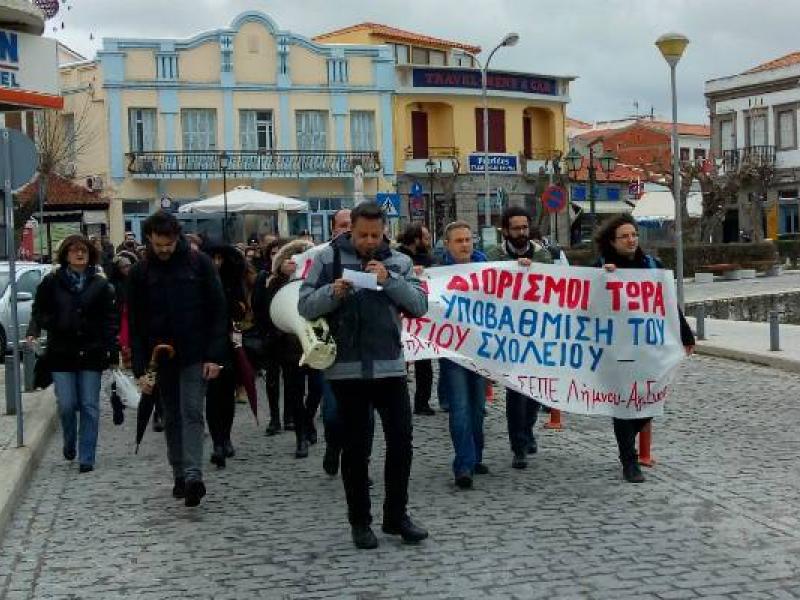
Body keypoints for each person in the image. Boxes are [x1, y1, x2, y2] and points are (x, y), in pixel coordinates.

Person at [299, 202, 429, 550]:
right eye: (362, 235)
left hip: (389, 366)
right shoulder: (328, 259)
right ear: (349, 230)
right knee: (357, 450)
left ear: (384, 230)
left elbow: (419, 305)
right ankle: (360, 522)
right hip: (346, 371)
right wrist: (333, 292)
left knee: (401, 443)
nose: (369, 241)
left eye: (375, 234)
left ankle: (396, 516)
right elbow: (304, 305)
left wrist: (389, 281)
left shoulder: (398, 261)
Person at [127, 211, 227, 507]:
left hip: (195, 352)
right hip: (161, 356)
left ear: (176, 237)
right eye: (159, 245)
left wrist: (214, 355)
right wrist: (141, 367)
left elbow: (217, 310)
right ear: (149, 240)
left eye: (169, 244)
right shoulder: (140, 273)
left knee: (193, 411)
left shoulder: (199, 264)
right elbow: (135, 322)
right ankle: (179, 473)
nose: (164, 250)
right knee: (172, 416)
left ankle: (195, 475)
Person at [594, 213, 695, 483]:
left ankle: (629, 446)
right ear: (612, 241)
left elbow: (668, 306)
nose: (630, 240)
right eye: (624, 236)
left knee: (649, 400)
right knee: (622, 405)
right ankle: (629, 461)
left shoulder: (652, 266)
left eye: (634, 235)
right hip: (615, 350)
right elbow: (587, 305)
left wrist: (686, 335)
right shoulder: (601, 267)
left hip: (647, 347)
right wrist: (602, 281)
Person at [27, 235, 118, 473]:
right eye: (75, 251)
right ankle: (69, 441)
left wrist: (113, 349)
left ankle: (87, 456)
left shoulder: (100, 285)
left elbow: (110, 319)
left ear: (90, 255)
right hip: (61, 352)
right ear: (66, 255)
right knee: (67, 405)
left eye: (84, 251)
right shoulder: (52, 282)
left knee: (89, 405)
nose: (80, 255)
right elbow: (39, 310)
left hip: (91, 351)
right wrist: (51, 323)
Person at [487, 207, 553, 470]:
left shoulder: (542, 255)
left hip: (537, 333)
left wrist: (534, 270)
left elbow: (556, 287)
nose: (521, 232)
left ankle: (528, 429)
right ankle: (519, 445)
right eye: (516, 228)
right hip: (508, 334)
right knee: (516, 391)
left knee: (535, 390)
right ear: (505, 231)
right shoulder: (494, 256)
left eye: (525, 227)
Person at [437, 221, 490, 489]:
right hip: (453, 350)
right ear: (447, 245)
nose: (465, 245)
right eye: (459, 241)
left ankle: (475, 455)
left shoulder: (486, 267)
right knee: (459, 406)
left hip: (480, 350)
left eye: (468, 240)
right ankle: (463, 465)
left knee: (478, 408)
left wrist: (523, 270)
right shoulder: (438, 272)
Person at [260, 239, 322, 458]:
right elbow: (268, 311)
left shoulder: (317, 279)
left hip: (316, 340)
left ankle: (307, 419)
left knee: (317, 388)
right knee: (295, 391)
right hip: (289, 346)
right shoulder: (274, 282)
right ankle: (301, 437)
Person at [204, 244, 247, 469]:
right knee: (213, 394)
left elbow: (242, 310)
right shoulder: (200, 281)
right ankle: (217, 442)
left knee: (227, 394)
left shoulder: (232, 281)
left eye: (220, 258)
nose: (216, 262)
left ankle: (226, 436)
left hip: (230, 342)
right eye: (213, 258)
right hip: (209, 343)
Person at [396, 223, 435, 416]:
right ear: (416, 239)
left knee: (423, 363)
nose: (428, 242)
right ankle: (402, 403)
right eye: (425, 238)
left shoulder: (428, 258)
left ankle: (421, 402)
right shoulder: (398, 258)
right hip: (404, 318)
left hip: (423, 321)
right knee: (403, 363)